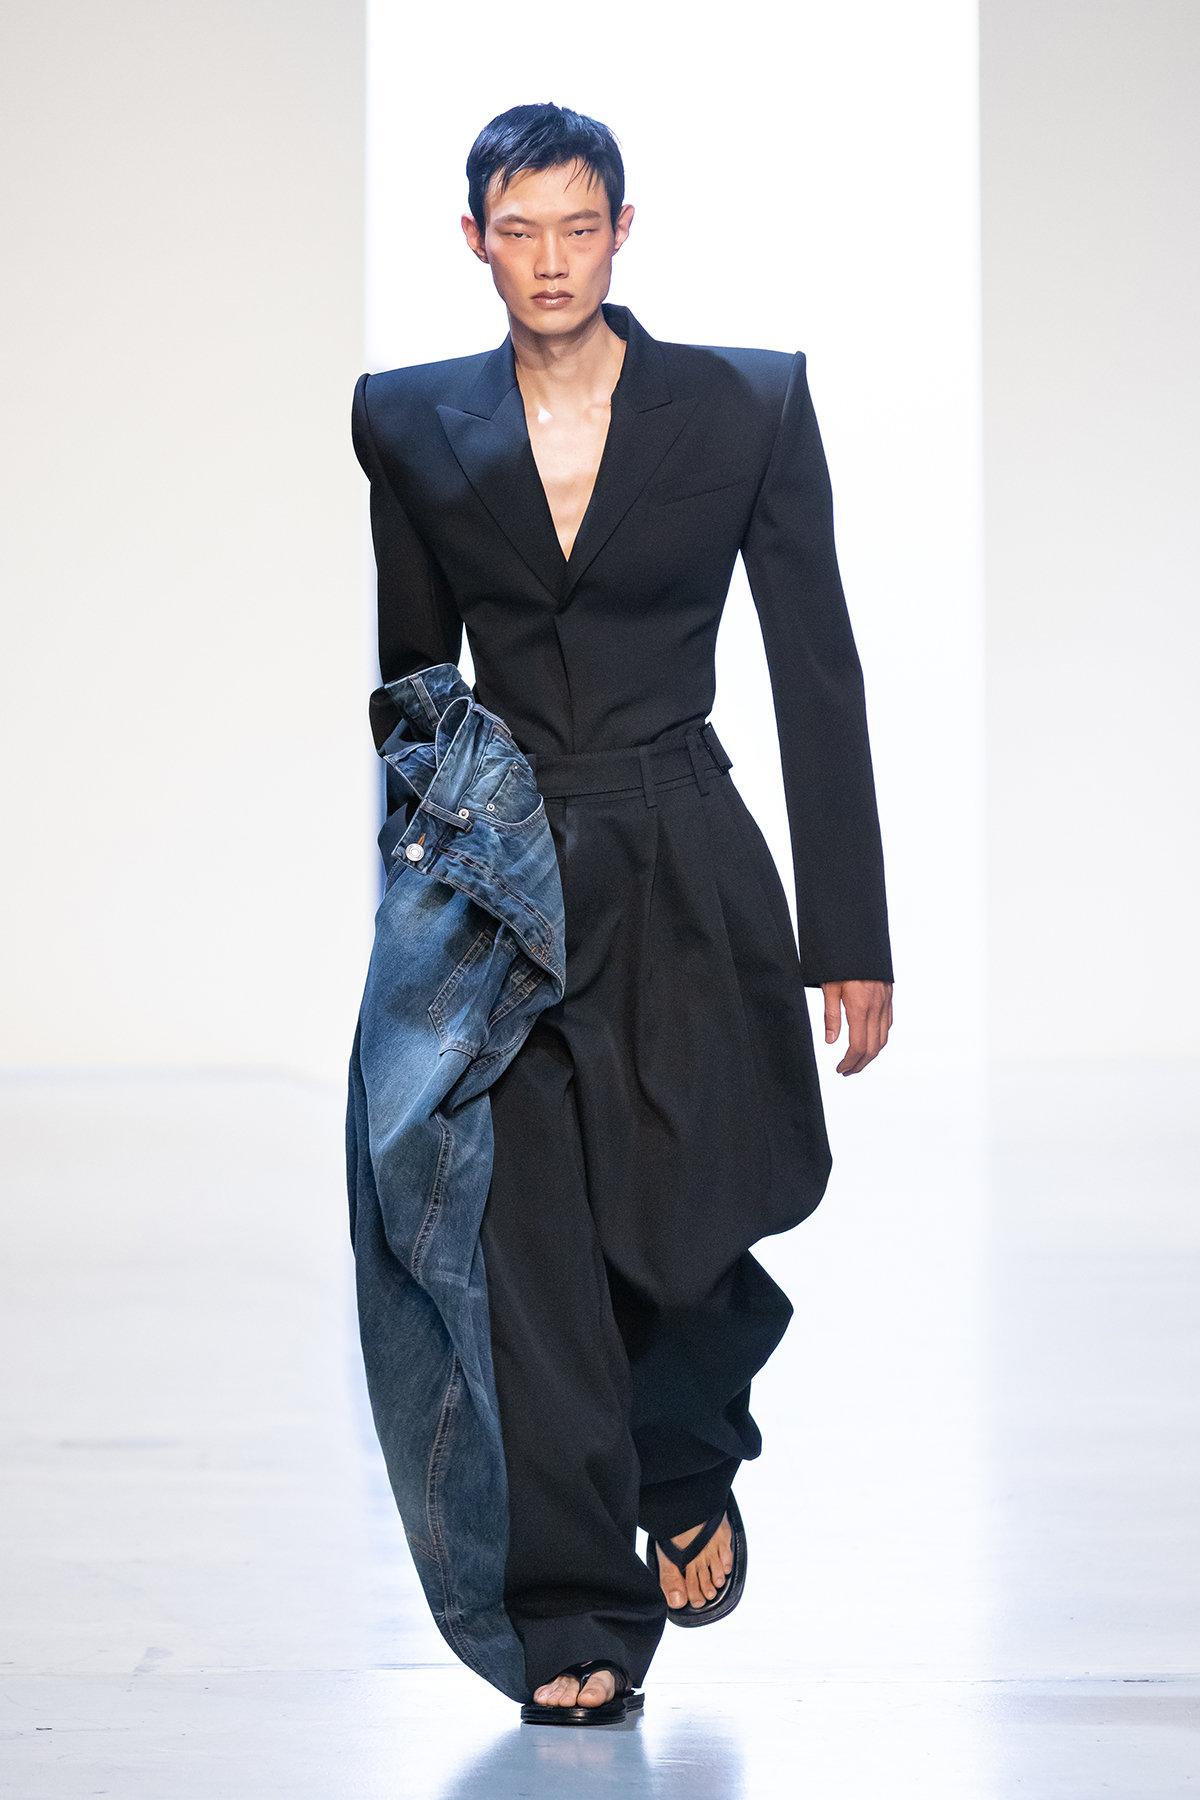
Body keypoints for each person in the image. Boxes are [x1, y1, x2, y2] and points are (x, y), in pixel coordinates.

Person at [351, 101, 893, 1721]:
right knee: (529, 1257)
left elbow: (818, 665)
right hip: (502, 879)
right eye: (519, 230)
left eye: (577, 227)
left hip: (682, 853)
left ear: (622, 232)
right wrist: (412, 915)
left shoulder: (744, 406)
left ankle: (687, 1454)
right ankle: (575, 1618)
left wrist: (851, 935)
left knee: (685, 1223)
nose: (550, 261)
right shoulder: (412, 422)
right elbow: (413, 688)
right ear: (474, 242)